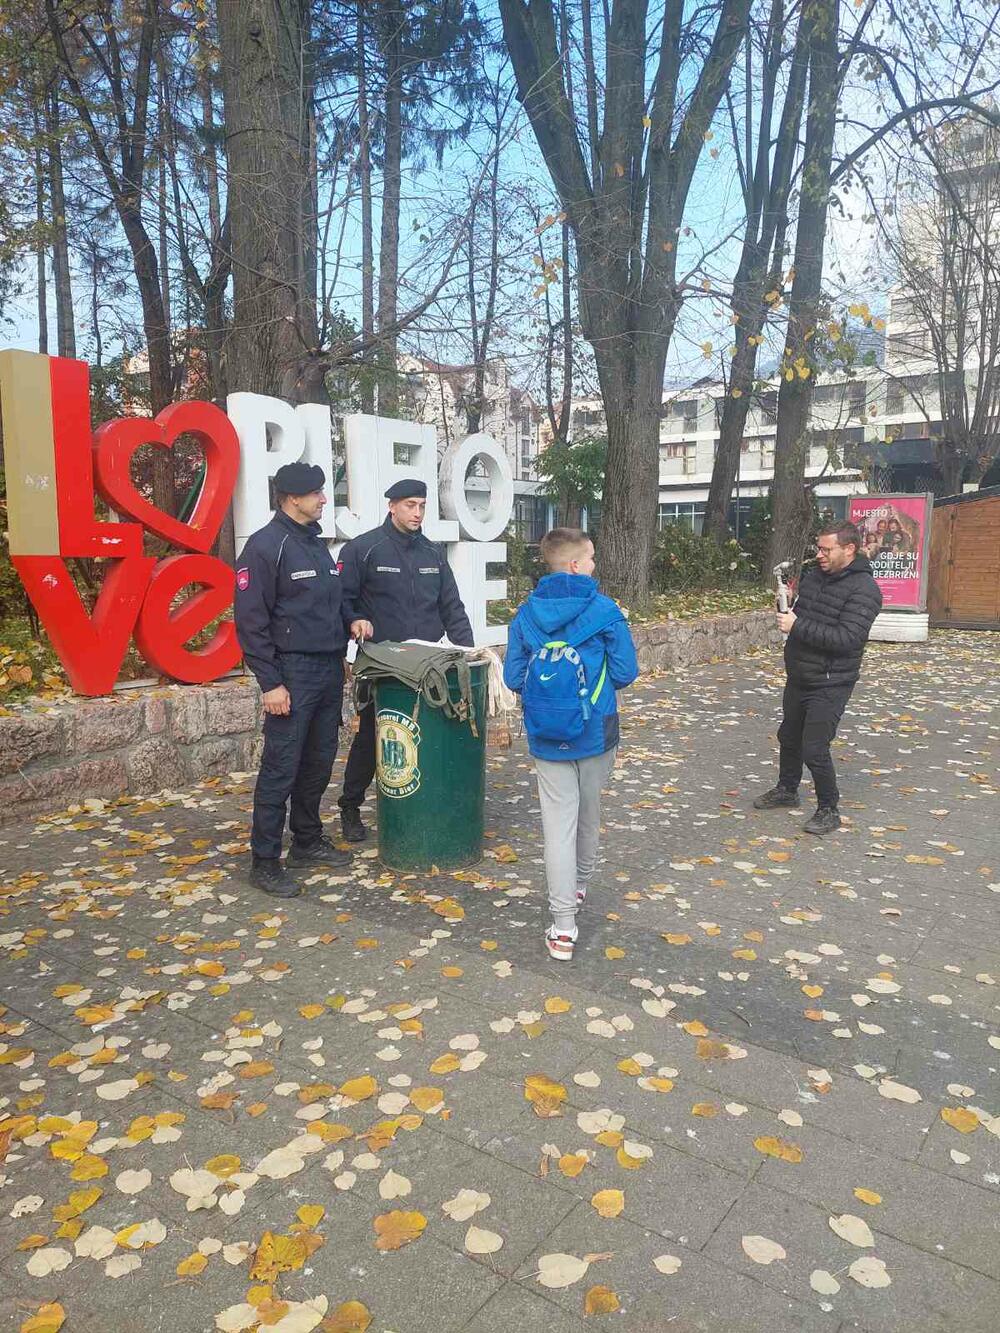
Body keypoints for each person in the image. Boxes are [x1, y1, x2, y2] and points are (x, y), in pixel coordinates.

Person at [503, 528, 638, 961]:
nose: (595, 565)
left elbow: (511, 677)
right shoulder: (605, 611)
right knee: (589, 811)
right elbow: (625, 672)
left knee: (556, 828)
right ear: (576, 565)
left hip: (546, 733)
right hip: (596, 730)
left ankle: (563, 929)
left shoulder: (525, 615)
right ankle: (580, 886)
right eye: (592, 558)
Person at [234, 461, 358, 897]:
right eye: (317, 493)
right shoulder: (266, 548)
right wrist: (270, 682)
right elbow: (251, 622)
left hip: (327, 670)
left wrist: (351, 625)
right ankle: (264, 860)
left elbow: (330, 603)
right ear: (292, 498)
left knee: (318, 762)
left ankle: (306, 840)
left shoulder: (314, 544)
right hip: (291, 674)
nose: (324, 499)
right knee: (281, 767)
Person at [337, 478, 474, 841]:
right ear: (392, 506)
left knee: (426, 734)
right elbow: (342, 600)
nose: (417, 513)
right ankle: (350, 807)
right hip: (382, 664)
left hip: (426, 664)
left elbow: (452, 608)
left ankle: (423, 802)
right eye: (410, 505)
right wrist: (352, 626)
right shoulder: (363, 549)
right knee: (371, 736)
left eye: (422, 505)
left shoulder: (432, 554)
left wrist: (468, 654)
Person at [754, 520, 883, 835]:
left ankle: (829, 809)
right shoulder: (814, 577)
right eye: (818, 548)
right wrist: (784, 603)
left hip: (831, 680)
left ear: (849, 549)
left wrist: (796, 626)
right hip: (800, 673)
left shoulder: (865, 590)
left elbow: (847, 638)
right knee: (789, 737)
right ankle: (787, 791)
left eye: (827, 549)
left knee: (814, 747)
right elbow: (801, 612)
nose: (819, 555)